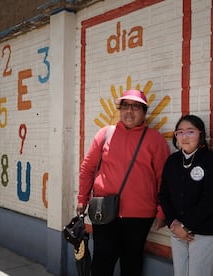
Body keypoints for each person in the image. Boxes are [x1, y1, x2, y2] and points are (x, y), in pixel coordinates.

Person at [76, 89, 170, 276]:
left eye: (135, 107)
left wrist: (162, 211)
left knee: (132, 261)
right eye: (125, 106)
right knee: (102, 260)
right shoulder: (105, 134)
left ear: (144, 112)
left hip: (140, 214)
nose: (129, 111)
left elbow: (164, 179)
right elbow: (87, 169)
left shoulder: (155, 139)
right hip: (104, 210)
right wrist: (82, 198)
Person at [158, 114, 213, 276]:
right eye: (180, 132)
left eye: (190, 132)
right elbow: (163, 194)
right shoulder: (172, 161)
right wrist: (173, 223)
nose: (184, 136)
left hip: (204, 231)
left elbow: (210, 200)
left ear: (200, 134)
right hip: (176, 229)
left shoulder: (210, 160)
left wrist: (185, 226)